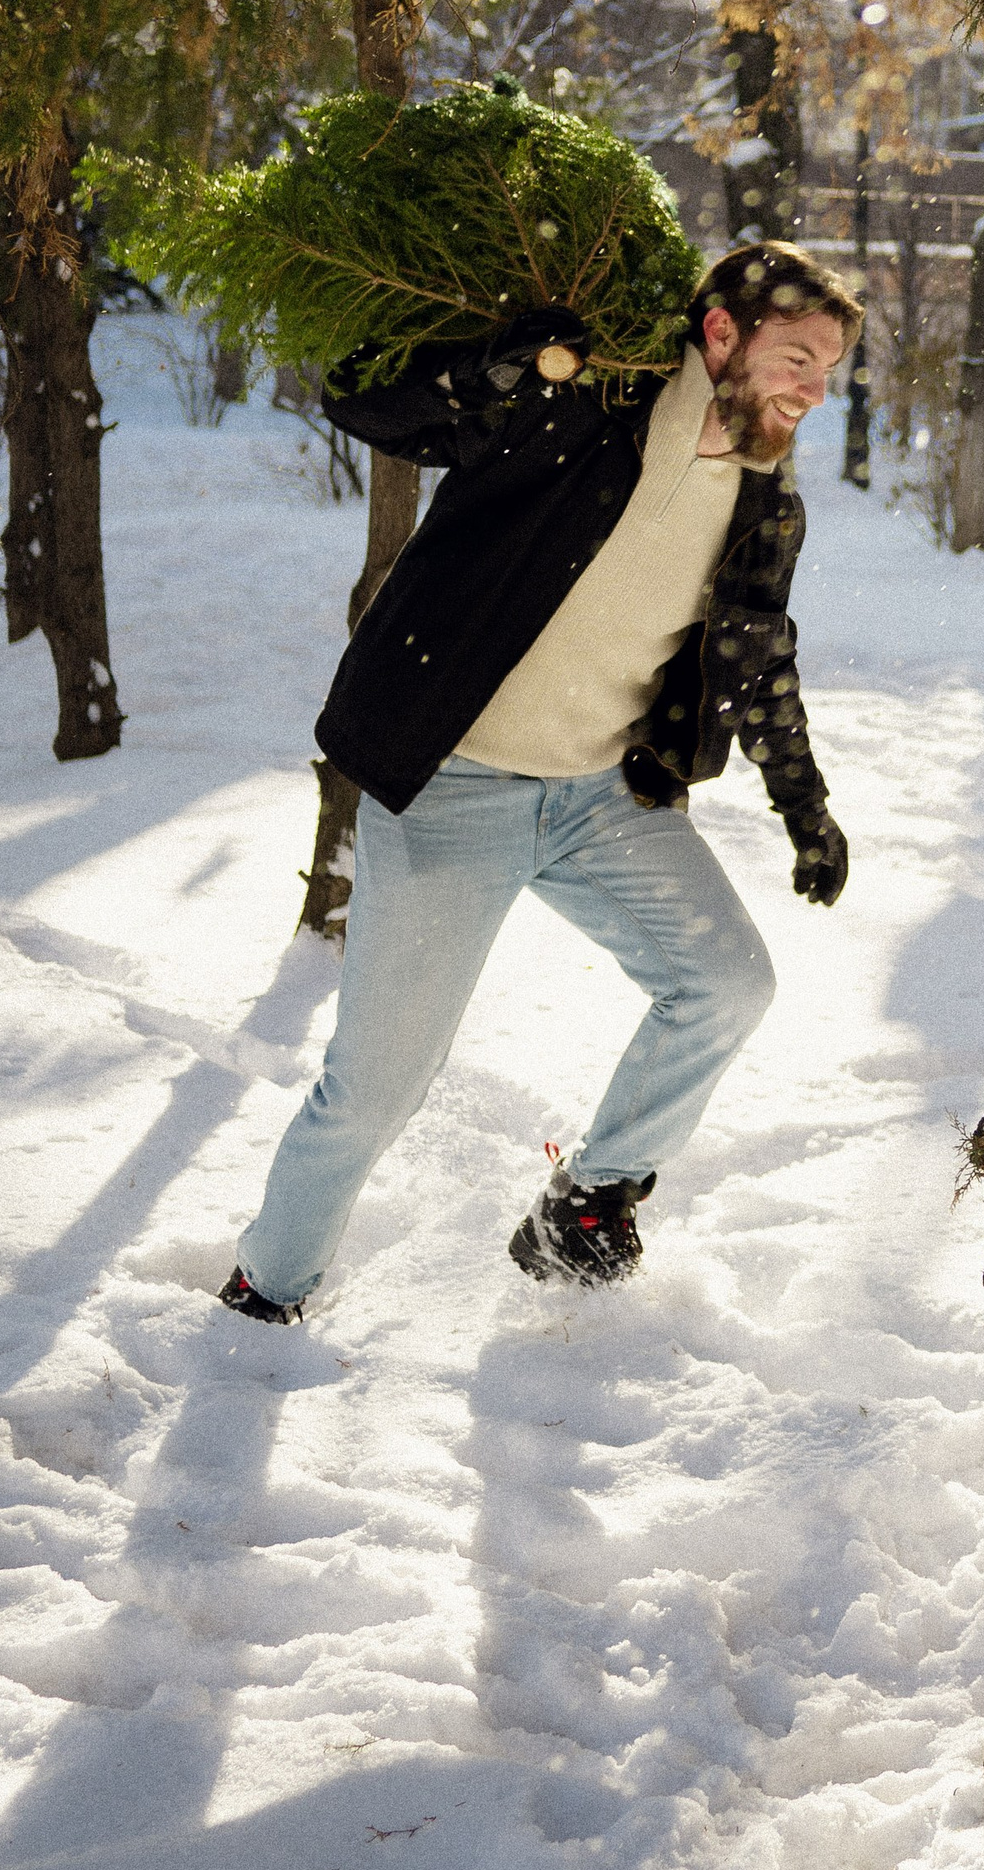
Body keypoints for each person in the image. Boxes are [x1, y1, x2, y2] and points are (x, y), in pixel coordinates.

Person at [220, 238, 860, 1322]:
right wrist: (496, 367)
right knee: (378, 1086)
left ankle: (588, 1202)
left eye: (829, 369)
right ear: (721, 334)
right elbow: (365, 402)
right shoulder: (581, 407)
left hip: (602, 796)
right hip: (454, 788)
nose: (814, 389)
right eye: (796, 358)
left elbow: (758, 652)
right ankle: (263, 1291)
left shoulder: (766, 497)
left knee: (726, 982)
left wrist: (806, 807)